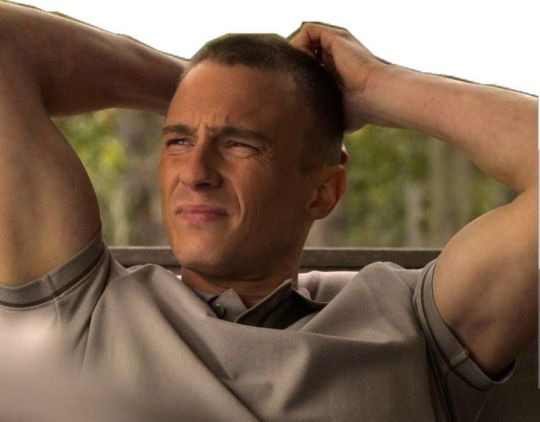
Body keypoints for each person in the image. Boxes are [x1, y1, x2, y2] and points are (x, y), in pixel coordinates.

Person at [0, 2, 537, 421]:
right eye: (179, 140)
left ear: (324, 192)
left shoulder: (413, 323)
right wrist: (202, 80)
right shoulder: (80, 310)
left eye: (240, 144)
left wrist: (376, 86)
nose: (196, 172)